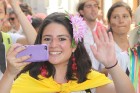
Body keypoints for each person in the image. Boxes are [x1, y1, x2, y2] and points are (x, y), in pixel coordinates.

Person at [0, 12, 135, 93]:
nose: (53, 45)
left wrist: (112, 64)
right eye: (47, 39)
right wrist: (9, 73)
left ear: (74, 45)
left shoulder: (90, 80)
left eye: (62, 39)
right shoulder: (27, 80)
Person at [0, 0, 37, 79]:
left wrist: (15, 6)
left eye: (0, 12)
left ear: (5, 16)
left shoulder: (9, 38)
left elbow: (34, 42)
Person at [77, 0, 106, 71]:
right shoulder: (76, 30)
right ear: (81, 11)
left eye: (95, 6)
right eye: (89, 6)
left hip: (100, 77)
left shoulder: (104, 31)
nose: (93, 9)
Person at [107, 1, 132, 76]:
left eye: (125, 16)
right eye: (115, 17)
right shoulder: (100, 47)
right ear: (109, 22)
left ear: (131, 19)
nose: (121, 21)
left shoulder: (136, 46)